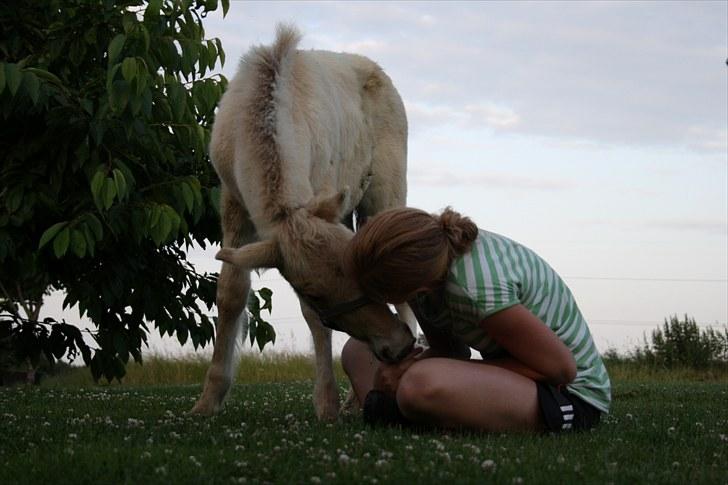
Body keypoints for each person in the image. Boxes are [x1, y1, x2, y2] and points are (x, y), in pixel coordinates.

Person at [340, 207, 610, 433]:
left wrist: (410, 372)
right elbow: (450, 351)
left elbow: (561, 368)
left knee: (419, 384)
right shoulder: (425, 267)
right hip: (529, 378)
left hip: (567, 394)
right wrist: (407, 366)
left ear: (407, 287)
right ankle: (400, 410)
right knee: (357, 350)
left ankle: (395, 411)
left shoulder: (472, 287)